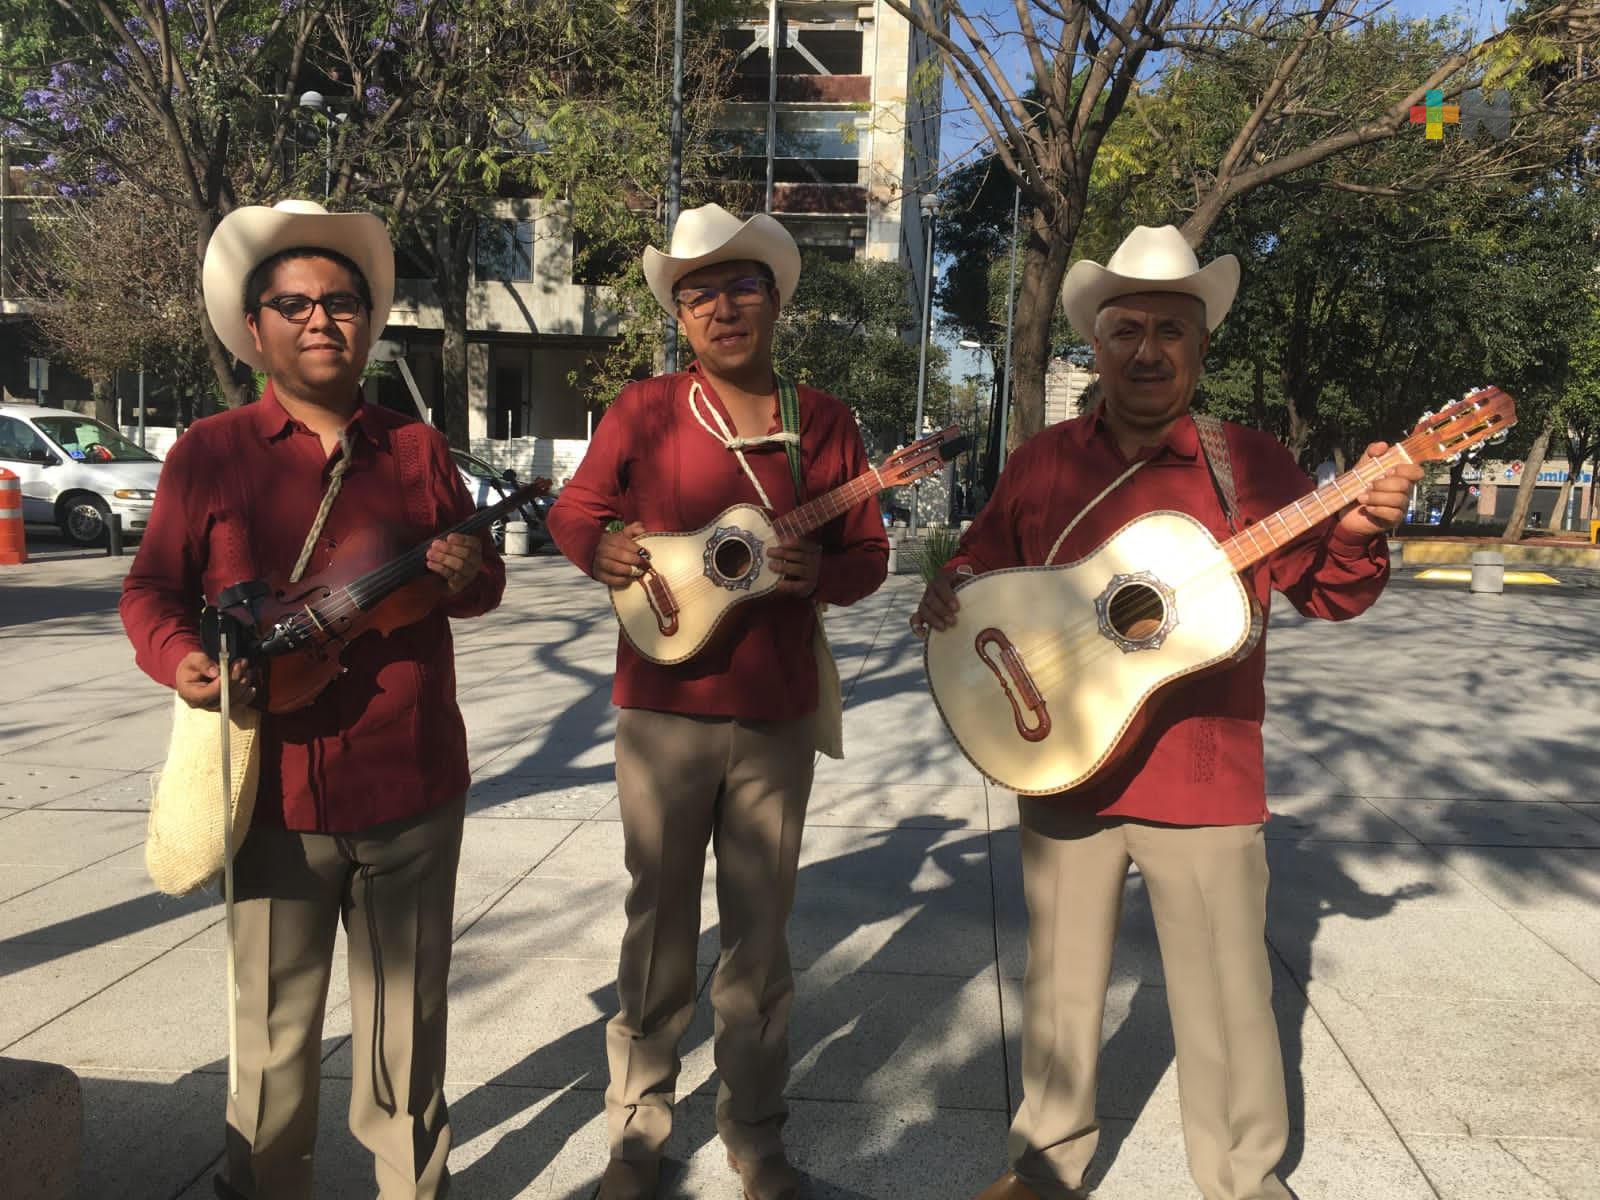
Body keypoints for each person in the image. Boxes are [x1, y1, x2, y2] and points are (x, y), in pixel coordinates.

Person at [911, 225, 1421, 1200]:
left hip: (1203, 774)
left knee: (1228, 999)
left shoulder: (1251, 466)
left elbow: (1329, 591)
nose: (1147, 350)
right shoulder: (1046, 459)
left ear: (1199, 345)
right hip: (1059, 760)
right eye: (1127, 329)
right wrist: (954, 590)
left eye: (1170, 331)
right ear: (1094, 346)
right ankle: (1046, 1168)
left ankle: (1242, 1181)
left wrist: (1355, 528)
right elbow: (982, 556)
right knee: (1059, 989)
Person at [121, 199, 505, 1200]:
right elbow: (152, 591)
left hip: (412, 779)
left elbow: (482, 583)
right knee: (274, 1034)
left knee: (405, 1035)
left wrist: (467, 564)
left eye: (341, 302)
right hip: (275, 796)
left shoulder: (416, 451)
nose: (320, 319)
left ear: (369, 323)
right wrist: (182, 662)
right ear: (255, 330)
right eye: (293, 304)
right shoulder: (208, 451)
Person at [546, 203, 889, 1200]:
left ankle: (754, 1134)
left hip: (772, 711)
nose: (721, 306)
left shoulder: (821, 420)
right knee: (656, 922)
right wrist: (598, 547)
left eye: (741, 285)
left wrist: (814, 570)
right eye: (698, 292)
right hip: (658, 705)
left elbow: (865, 560)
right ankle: (637, 1131)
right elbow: (576, 510)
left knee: (758, 935)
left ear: (776, 300)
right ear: (680, 313)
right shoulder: (645, 410)